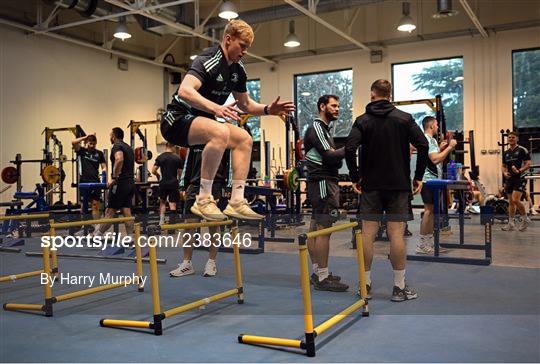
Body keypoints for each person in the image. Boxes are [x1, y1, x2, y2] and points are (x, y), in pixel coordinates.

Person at [160, 19, 294, 221]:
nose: (245, 51)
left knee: (244, 139)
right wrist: (216, 108)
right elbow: (185, 90)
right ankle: (203, 198)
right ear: (228, 39)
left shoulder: (237, 70)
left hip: (201, 122)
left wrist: (268, 109)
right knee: (220, 132)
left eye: (247, 48)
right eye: (242, 46)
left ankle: (237, 201)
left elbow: (245, 105)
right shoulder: (209, 59)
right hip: (176, 120)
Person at [345, 79, 428, 302]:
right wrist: (418, 176)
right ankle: (399, 288)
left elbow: (350, 148)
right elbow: (423, 144)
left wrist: (355, 177)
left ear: (373, 95)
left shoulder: (362, 120)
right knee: (396, 234)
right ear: (389, 95)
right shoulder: (404, 118)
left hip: (370, 186)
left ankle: (365, 286)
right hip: (398, 185)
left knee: (368, 234)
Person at [304, 95, 348, 292]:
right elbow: (331, 157)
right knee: (324, 230)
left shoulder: (324, 130)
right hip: (323, 182)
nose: (338, 109)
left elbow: (334, 160)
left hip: (323, 181)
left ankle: (317, 272)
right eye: (334, 106)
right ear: (322, 106)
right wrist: (351, 147)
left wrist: (336, 157)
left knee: (315, 229)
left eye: (338, 106)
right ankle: (322, 277)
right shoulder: (317, 128)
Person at [169, 144, 231, 278]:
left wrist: (229, 186)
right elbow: (187, 164)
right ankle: (186, 264)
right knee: (189, 225)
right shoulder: (195, 141)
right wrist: (183, 185)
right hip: (195, 185)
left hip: (215, 184)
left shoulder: (222, 139)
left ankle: (211, 262)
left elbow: (229, 163)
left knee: (213, 225)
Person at [417, 116, 457, 254]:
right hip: (428, 180)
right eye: (436, 125)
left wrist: (440, 149)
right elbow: (434, 160)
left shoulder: (432, 140)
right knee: (428, 211)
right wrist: (450, 148)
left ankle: (430, 243)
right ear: (431, 126)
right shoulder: (427, 139)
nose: (438, 128)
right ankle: (422, 244)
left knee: (432, 211)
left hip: (433, 179)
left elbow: (434, 157)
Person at [95, 127, 135, 238]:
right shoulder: (128, 147)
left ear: (113, 136)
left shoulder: (117, 146)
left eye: (110, 136)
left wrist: (113, 177)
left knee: (110, 211)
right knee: (127, 212)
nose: (110, 138)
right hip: (130, 184)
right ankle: (130, 239)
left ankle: (97, 236)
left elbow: (119, 159)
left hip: (120, 184)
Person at [72, 134, 107, 220]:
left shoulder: (99, 153)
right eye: (90, 143)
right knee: (83, 205)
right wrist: (85, 137)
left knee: (95, 205)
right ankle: (84, 225)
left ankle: (96, 228)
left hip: (95, 182)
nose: (92, 146)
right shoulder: (82, 151)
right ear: (86, 143)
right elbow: (73, 142)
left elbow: (104, 167)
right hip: (84, 182)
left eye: (94, 144)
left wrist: (104, 173)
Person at [502, 131, 531, 231]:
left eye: (513, 137)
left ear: (517, 139)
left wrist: (519, 170)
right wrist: (505, 173)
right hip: (510, 179)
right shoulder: (506, 153)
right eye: (509, 137)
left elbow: (528, 164)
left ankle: (525, 219)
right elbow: (503, 166)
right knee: (511, 202)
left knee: (515, 199)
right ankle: (511, 223)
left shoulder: (522, 150)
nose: (511, 139)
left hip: (520, 178)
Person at [151, 143, 183, 225]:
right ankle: (172, 225)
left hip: (163, 183)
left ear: (166, 146)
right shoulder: (177, 158)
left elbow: (153, 170)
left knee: (162, 202)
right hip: (173, 183)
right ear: (173, 147)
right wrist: (180, 184)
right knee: (172, 204)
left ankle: (161, 221)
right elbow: (180, 174)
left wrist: (158, 175)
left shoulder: (160, 157)